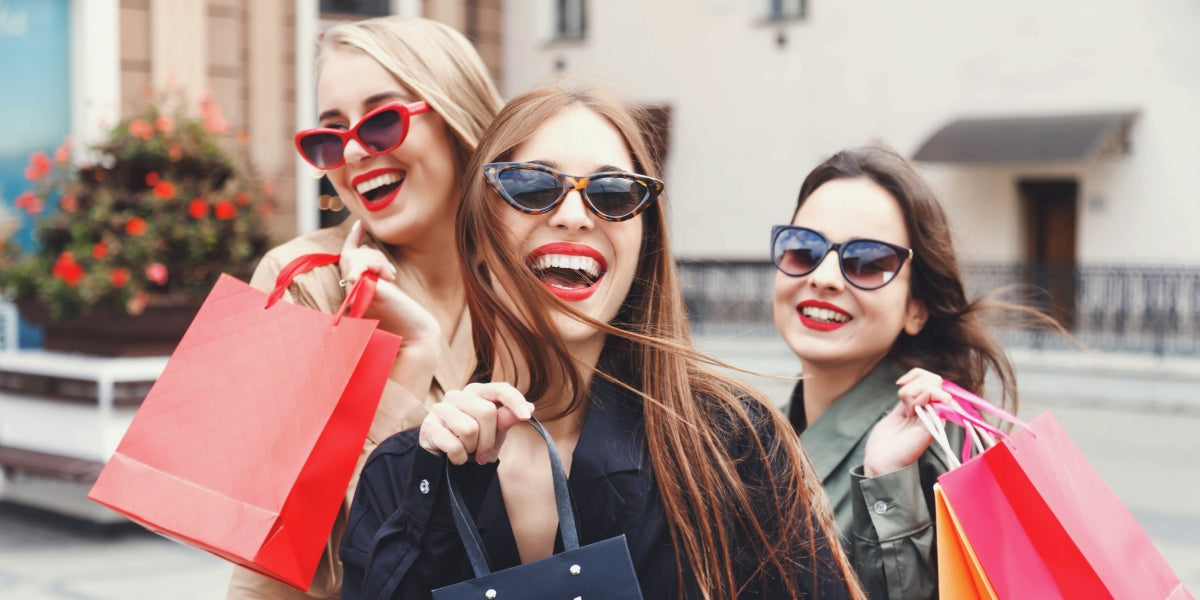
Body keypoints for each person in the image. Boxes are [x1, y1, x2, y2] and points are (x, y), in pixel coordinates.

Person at [339, 82, 866, 599]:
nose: (572, 215)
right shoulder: (403, 474)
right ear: (477, 239)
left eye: (614, 194)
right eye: (532, 185)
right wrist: (434, 499)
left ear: (643, 248)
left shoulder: (731, 445)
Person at [226, 16, 502, 600]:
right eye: (329, 136)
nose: (351, 151)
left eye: (381, 122)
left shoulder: (530, 288)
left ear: (457, 120)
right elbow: (287, 548)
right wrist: (409, 359)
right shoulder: (291, 283)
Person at [771, 145, 1045, 598]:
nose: (825, 277)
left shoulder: (935, 446)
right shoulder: (755, 431)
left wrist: (887, 480)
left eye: (867, 262)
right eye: (804, 249)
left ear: (916, 309)